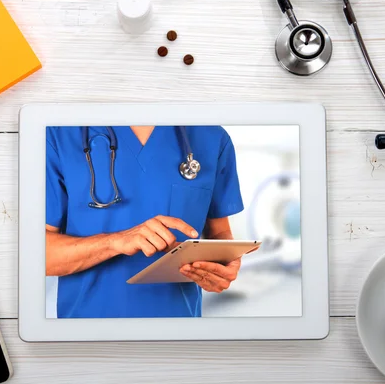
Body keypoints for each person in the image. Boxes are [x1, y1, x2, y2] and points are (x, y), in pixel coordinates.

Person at [46, 125, 244, 318]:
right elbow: (40, 257)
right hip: (85, 334)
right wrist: (115, 242)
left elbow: (220, 233)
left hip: (178, 333)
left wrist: (224, 265)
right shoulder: (61, 134)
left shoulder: (210, 136)